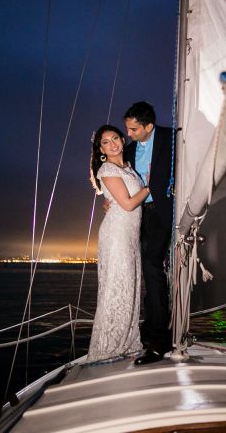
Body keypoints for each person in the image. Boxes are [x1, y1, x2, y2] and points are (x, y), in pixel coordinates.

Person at [87, 125, 151, 362]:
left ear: (123, 139)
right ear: (101, 149)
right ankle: (107, 349)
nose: (113, 144)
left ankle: (125, 343)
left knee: (129, 287)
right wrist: (150, 187)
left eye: (115, 138)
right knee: (116, 288)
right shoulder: (107, 168)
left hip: (130, 235)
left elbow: (117, 199)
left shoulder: (128, 167)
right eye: (106, 142)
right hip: (116, 236)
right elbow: (127, 204)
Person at [123, 101, 174, 365]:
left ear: (149, 126)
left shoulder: (172, 138)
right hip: (138, 214)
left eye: (133, 129)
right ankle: (152, 326)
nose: (128, 135)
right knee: (147, 271)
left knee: (151, 265)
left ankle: (159, 339)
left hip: (163, 213)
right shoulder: (129, 151)